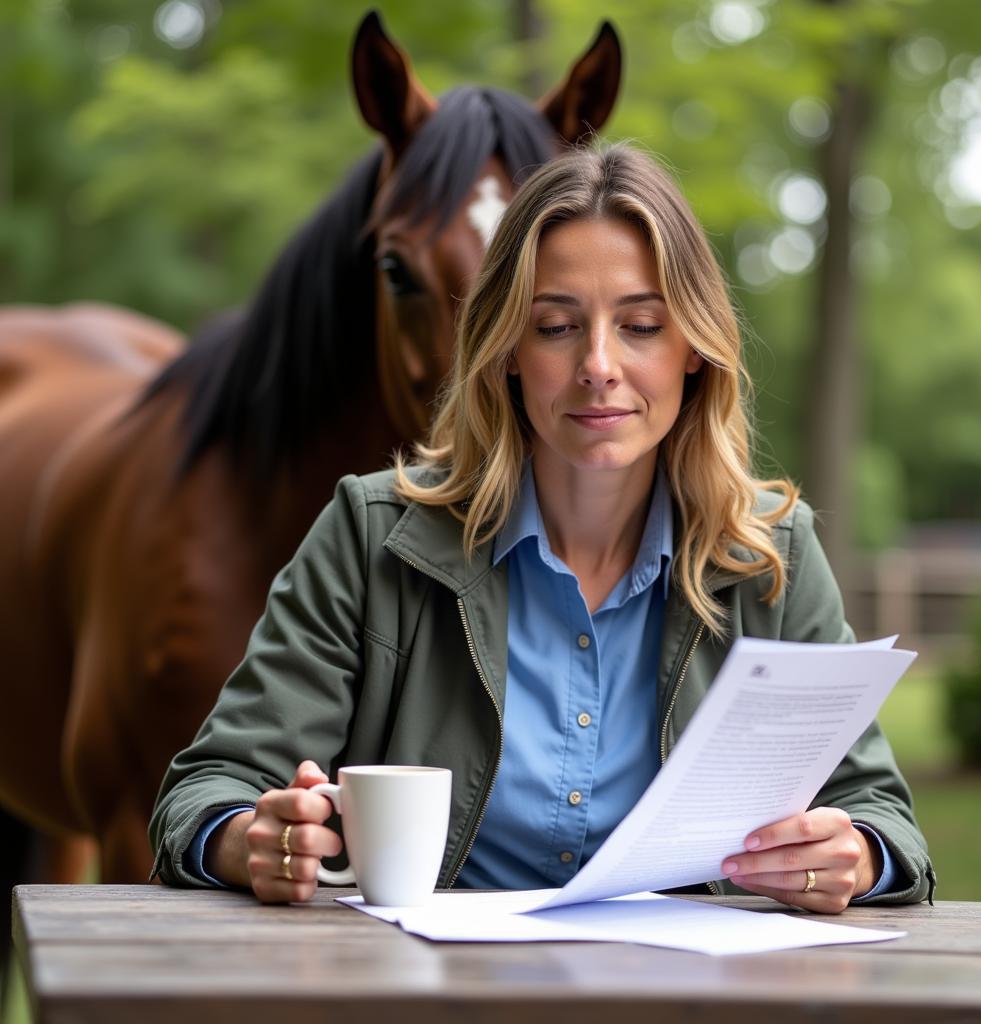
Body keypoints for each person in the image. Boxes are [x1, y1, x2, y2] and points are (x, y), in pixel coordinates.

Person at [150, 143, 934, 913]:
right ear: (507, 351)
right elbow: (209, 788)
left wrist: (853, 856)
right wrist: (253, 839)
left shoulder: (773, 554)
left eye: (641, 326)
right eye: (556, 326)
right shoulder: (370, 534)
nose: (599, 363)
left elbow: (879, 814)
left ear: (694, 347)